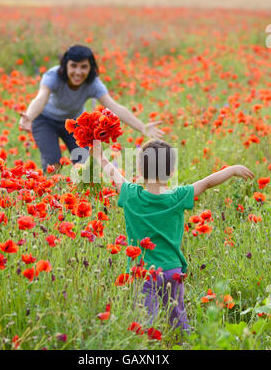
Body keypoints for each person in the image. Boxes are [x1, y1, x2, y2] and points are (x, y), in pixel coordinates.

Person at [90, 138, 254, 333]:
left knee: (145, 323)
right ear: (171, 172)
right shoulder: (179, 197)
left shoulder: (130, 194)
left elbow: (112, 172)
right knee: (177, 318)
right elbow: (208, 182)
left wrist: (99, 155)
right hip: (172, 270)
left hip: (144, 272)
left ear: (140, 171)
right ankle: (184, 343)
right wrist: (233, 169)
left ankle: (147, 350)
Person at [19, 45, 164, 172]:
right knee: (53, 164)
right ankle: (52, 195)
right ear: (65, 66)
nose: (78, 72)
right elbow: (41, 98)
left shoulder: (93, 83)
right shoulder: (53, 76)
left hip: (75, 122)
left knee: (84, 165)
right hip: (45, 120)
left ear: (91, 68)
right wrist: (29, 117)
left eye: (84, 67)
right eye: (73, 66)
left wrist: (143, 128)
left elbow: (115, 107)